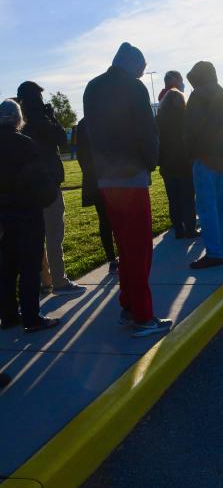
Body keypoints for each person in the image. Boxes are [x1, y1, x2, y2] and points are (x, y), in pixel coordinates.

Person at [83, 42, 172, 337]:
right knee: (140, 250)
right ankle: (143, 316)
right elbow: (148, 132)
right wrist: (151, 162)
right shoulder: (135, 89)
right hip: (131, 177)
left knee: (125, 246)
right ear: (134, 65)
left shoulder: (92, 88)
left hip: (106, 178)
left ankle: (128, 305)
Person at [16, 81, 84, 295]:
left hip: (29, 188)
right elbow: (61, 139)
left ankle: (44, 280)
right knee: (54, 235)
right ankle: (59, 280)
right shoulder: (41, 121)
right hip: (48, 185)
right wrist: (51, 116)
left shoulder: (23, 125)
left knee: (36, 237)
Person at [0, 99, 60, 333]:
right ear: (18, 119)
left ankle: (8, 315)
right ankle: (32, 317)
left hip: (2, 217)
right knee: (29, 267)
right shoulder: (26, 145)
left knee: (6, 268)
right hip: (27, 214)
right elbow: (40, 182)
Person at [184, 61, 223, 269]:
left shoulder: (197, 96)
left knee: (207, 207)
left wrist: (193, 152)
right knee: (222, 204)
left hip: (204, 157)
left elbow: (189, 129)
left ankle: (214, 252)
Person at [76, 118, 118, 273]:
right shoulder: (108, 118)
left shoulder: (83, 124)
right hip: (112, 177)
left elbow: (81, 154)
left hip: (94, 179)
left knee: (104, 220)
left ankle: (111, 259)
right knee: (118, 218)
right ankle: (122, 254)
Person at [157, 87, 199, 239]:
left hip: (168, 164)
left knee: (173, 199)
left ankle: (178, 229)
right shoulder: (186, 116)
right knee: (188, 198)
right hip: (185, 163)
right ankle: (190, 228)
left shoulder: (160, 119)